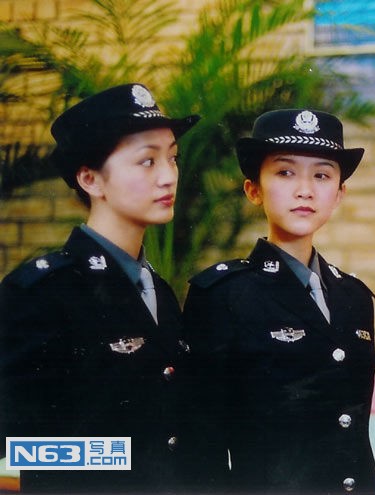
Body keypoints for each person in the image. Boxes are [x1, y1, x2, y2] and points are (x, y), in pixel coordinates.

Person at [0, 83, 202, 493]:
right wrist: (121, 460)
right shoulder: (43, 291)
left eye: (172, 158)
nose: (168, 177)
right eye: (147, 161)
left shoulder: (158, 292)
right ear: (90, 179)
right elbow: (17, 444)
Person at [183, 109, 375, 494]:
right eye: (285, 172)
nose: (305, 190)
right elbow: (200, 447)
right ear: (253, 190)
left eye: (321, 175)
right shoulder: (223, 295)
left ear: (339, 194)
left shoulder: (354, 297)